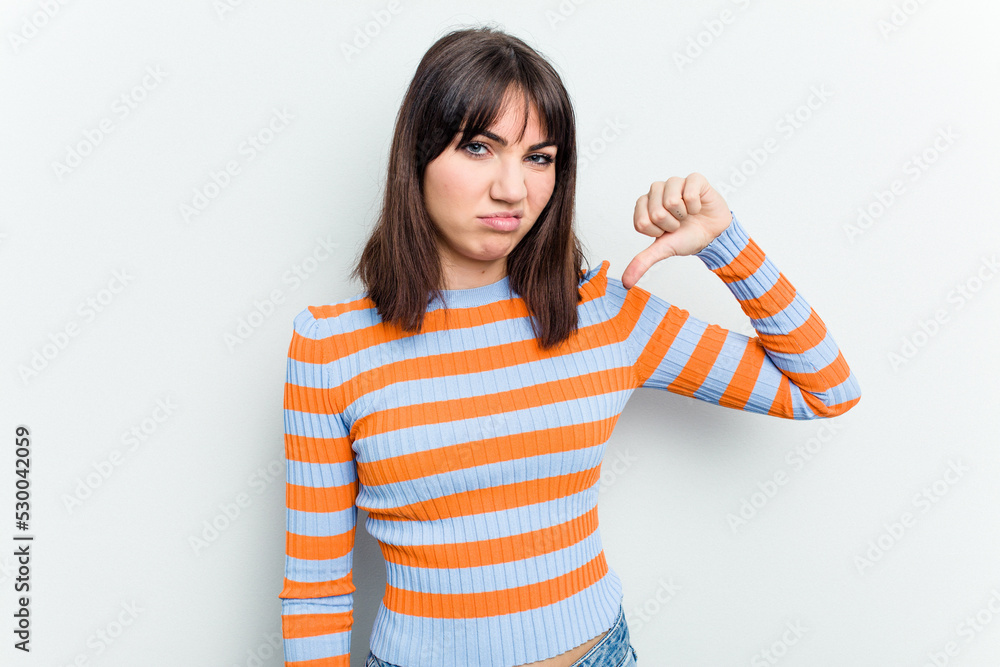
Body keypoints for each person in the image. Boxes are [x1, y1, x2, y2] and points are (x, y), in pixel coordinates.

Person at [279, 25, 861, 667]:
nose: (511, 189)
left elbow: (825, 390)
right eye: (478, 147)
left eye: (539, 157)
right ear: (416, 155)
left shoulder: (606, 315)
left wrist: (728, 245)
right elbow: (317, 593)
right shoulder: (329, 349)